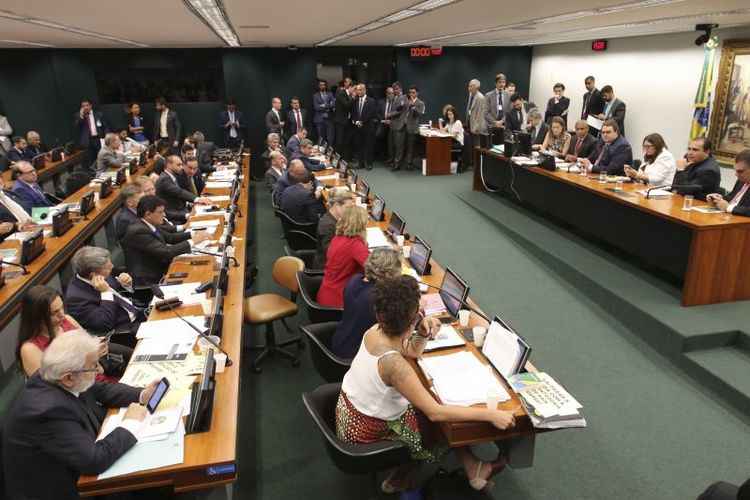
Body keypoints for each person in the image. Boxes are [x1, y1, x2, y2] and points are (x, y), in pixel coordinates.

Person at [336, 276, 515, 494]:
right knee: (440, 422)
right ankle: (399, 479)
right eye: (420, 310)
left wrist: (420, 332)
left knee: (433, 404)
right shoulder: (393, 364)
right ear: (411, 318)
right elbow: (436, 413)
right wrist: (490, 415)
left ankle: (473, 467)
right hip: (365, 432)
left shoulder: (376, 330)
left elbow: (412, 351)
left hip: (350, 413)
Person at [3, 330, 158, 500]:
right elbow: (93, 461)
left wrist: (142, 394)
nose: (99, 369)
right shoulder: (47, 411)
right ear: (68, 378)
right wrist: (130, 423)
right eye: (94, 366)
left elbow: (101, 390)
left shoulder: (57, 373)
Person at [330, 248, 402, 359]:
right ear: (389, 274)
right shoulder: (379, 299)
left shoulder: (354, 280)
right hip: (355, 355)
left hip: (339, 340)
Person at [121, 195, 208, 285]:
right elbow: (166, 252)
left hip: (161, 268)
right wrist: (193, 241)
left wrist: (194, 234)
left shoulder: (148, 223)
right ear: (148, 214)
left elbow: (170, 238)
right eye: (160, 212)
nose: (164, 215)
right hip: (150, 279)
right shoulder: (138, 231)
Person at [65, 246, 144, 338]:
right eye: (108, 267)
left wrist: (126, 284)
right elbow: (104, 324)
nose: (112, 267)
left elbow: (120, 292)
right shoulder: (76, 299)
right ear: (93, 275)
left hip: (139, 311)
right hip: (127, 330)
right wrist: (105, 293)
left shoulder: (99, 274)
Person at [15, 285, 84, 377]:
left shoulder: (67, 319)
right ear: (37, 317)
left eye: (62, 307)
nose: (62, 315)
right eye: (54, 313)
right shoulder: (29, 349)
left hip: (94, 373)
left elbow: (88, 342)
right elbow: (46, 386)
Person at [317, 205, 369, 308]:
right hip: (339, 301)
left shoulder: (338, 237)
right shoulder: (355, 245)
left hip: (326, 293)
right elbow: (376, 269)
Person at [156, 155, 210, 222]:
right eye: (178, 165)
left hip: (182, 210)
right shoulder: (164, 179)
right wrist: (197, 199)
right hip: (175, 216)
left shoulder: (173, 176)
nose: (181, 167)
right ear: (169, 165)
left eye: (181, 165)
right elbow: (179, 192)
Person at [314, 188, 354, 269]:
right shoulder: (327, 226)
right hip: (328, 267)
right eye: (348, 207)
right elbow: (332, 253)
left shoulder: (332, 218)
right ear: (336, 205)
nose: (350, 211)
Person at [706, 148, 750, 216]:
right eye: (735, 170)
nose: (736, 174)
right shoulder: (741, 180)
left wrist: (728, 207)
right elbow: (731, 197)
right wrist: (718, 200)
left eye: (740, 171)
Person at [74, 98, 108, 170]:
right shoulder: (79, 116)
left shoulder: (99, 114)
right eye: (83, 106)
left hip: (99, 139)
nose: (85, 107)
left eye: (87, 105)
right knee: (91, 162)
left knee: (102, 159)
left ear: (91, 106)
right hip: (88, 142)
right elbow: (77, 127)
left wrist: (106, 138)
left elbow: (105, 127)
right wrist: (81, 116)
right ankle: (94, 177)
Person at [351, 83, 379, 170]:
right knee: (359, 146)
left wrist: (362, 121)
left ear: (364, 90)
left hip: (368, 127)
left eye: (359, 90)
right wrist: (356, 121)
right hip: (358, 127)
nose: (358, 92)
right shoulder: (355, 100)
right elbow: (353, 112)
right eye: (357, 90)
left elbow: (371, 113)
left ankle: (369, 164)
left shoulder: (371, 101)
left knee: (368, 146)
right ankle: (361, 163)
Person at [0, 174, 34, 241]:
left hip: (33, 227)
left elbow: (29, 209)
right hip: (13, 239)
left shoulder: (8, 193)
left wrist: (48, 212)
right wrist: (16, 226)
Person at [464, 78, 487, 170]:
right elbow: (469, 109)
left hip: (476, 127)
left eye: (471, 86)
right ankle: (472, 163)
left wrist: (477, 127)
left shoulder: (480, 97)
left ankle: (477, 165)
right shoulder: (471, 95)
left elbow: (481, 114)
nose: (469, 87)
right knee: (471, 145)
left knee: (476, 146)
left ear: (477, 87)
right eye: (469, 85)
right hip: (469, 124)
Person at [402, 85, 426, 171]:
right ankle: (403, 163)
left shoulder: (420, 103)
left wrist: (413, 107)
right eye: (410, 92)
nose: (411, 94)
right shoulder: (406, 101)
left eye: (413, 92)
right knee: (403, 145)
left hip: (412, 127)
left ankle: (409, 164)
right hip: (403, 126)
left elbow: (419, 115)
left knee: (411, 147)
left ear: (417, 93)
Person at [388, 82, 409, 172]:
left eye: (396, 89)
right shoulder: (395, 98)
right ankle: (394, 161)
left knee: (399, 146)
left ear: (400, 89)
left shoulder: (403, 98)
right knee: (394, 145)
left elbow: (400, 111)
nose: (395, 91)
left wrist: (389, 114)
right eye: (394, 89)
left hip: (400, 125)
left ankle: (397, 164)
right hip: (393, 125)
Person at [484, 73, 509, 141]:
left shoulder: (508, 95)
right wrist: (495, 122)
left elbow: (508, 112)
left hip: (503, 127)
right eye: (499, 82)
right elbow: (486, 113)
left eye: (503, 82)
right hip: (491, 127)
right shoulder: (488, 95)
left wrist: (502, 121)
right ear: (495, 83)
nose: (502, 84)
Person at [334, 78, 354, 161]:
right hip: (340, 121)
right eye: (354, 89)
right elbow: (346, 105)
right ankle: (338, 159)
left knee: (347, 140)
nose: (354, 91)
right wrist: (352, 97)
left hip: (347, 121)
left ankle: (346, 159)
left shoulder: (348, 95)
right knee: (339, 141)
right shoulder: (341, 93)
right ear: (350, 88)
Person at [313, 80, 335, 146]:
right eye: (321, 85)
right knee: (321, 138)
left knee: (330, 137)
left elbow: (333, 104)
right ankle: (321, 153)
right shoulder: (315, 95)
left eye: (323, 85)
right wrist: (328, 105)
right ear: (318, 86)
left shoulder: (330, 94)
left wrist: (323, 105)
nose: (322, 86)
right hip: (319, 119)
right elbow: (316, 107)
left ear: (326, 86)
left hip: (329, 119)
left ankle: (329, 153)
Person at [378, 86, 396, 166]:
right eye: (389, 93)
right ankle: (381, 157)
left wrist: (391, 121)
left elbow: (398, 114)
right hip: (382, 123)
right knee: (379, 136)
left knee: (391, 142)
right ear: (386, 94)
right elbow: (377, 113)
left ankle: (390, 158)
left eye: (392, 93)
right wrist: (382, 120)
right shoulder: (381, 102)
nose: (390, 95)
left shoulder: (396, 103)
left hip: (392, 125)